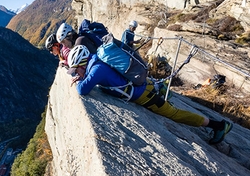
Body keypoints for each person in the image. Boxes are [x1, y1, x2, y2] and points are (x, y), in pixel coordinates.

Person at [67, 45, 233, 145]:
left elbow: (82, 90)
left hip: (143, 96)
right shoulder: (96, 60)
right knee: (169, 106)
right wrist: (83, 76)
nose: (78, 73)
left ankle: (219, 126)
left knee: (175, 114)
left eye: (77, 69)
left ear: (82, 64)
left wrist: (81, 80)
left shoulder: (96, 70)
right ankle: (160, 88)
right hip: (143, 86)